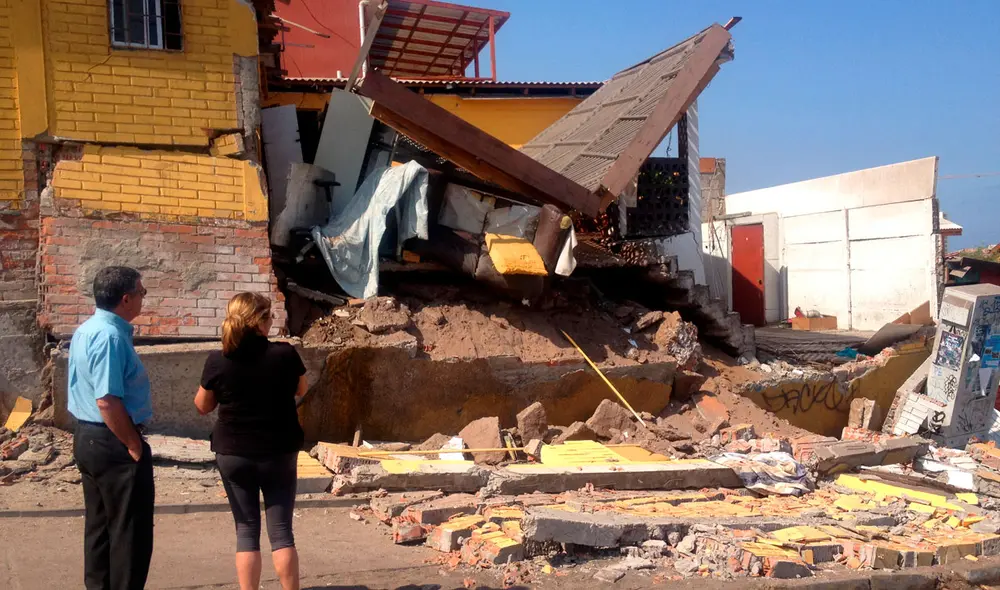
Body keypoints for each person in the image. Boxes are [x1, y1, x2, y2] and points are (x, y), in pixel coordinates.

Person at [194, 292, 307, 590]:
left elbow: (203, 405)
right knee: (282, 531)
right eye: (270, 317)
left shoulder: (218, 359)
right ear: (260, 321)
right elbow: (301, 388)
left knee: (245, 531)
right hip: (279, 452)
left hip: (233, 453)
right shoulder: (285, 354)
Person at [69, 265, 154, 590]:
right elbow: (107, 400)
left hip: (90, 438)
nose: (143, 300)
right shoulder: (109, 338)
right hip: (113, 440)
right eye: (141, 293)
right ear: (126, 298)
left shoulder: (88, 329)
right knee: (129, 534)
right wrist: (132, 443)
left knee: (100, 528)